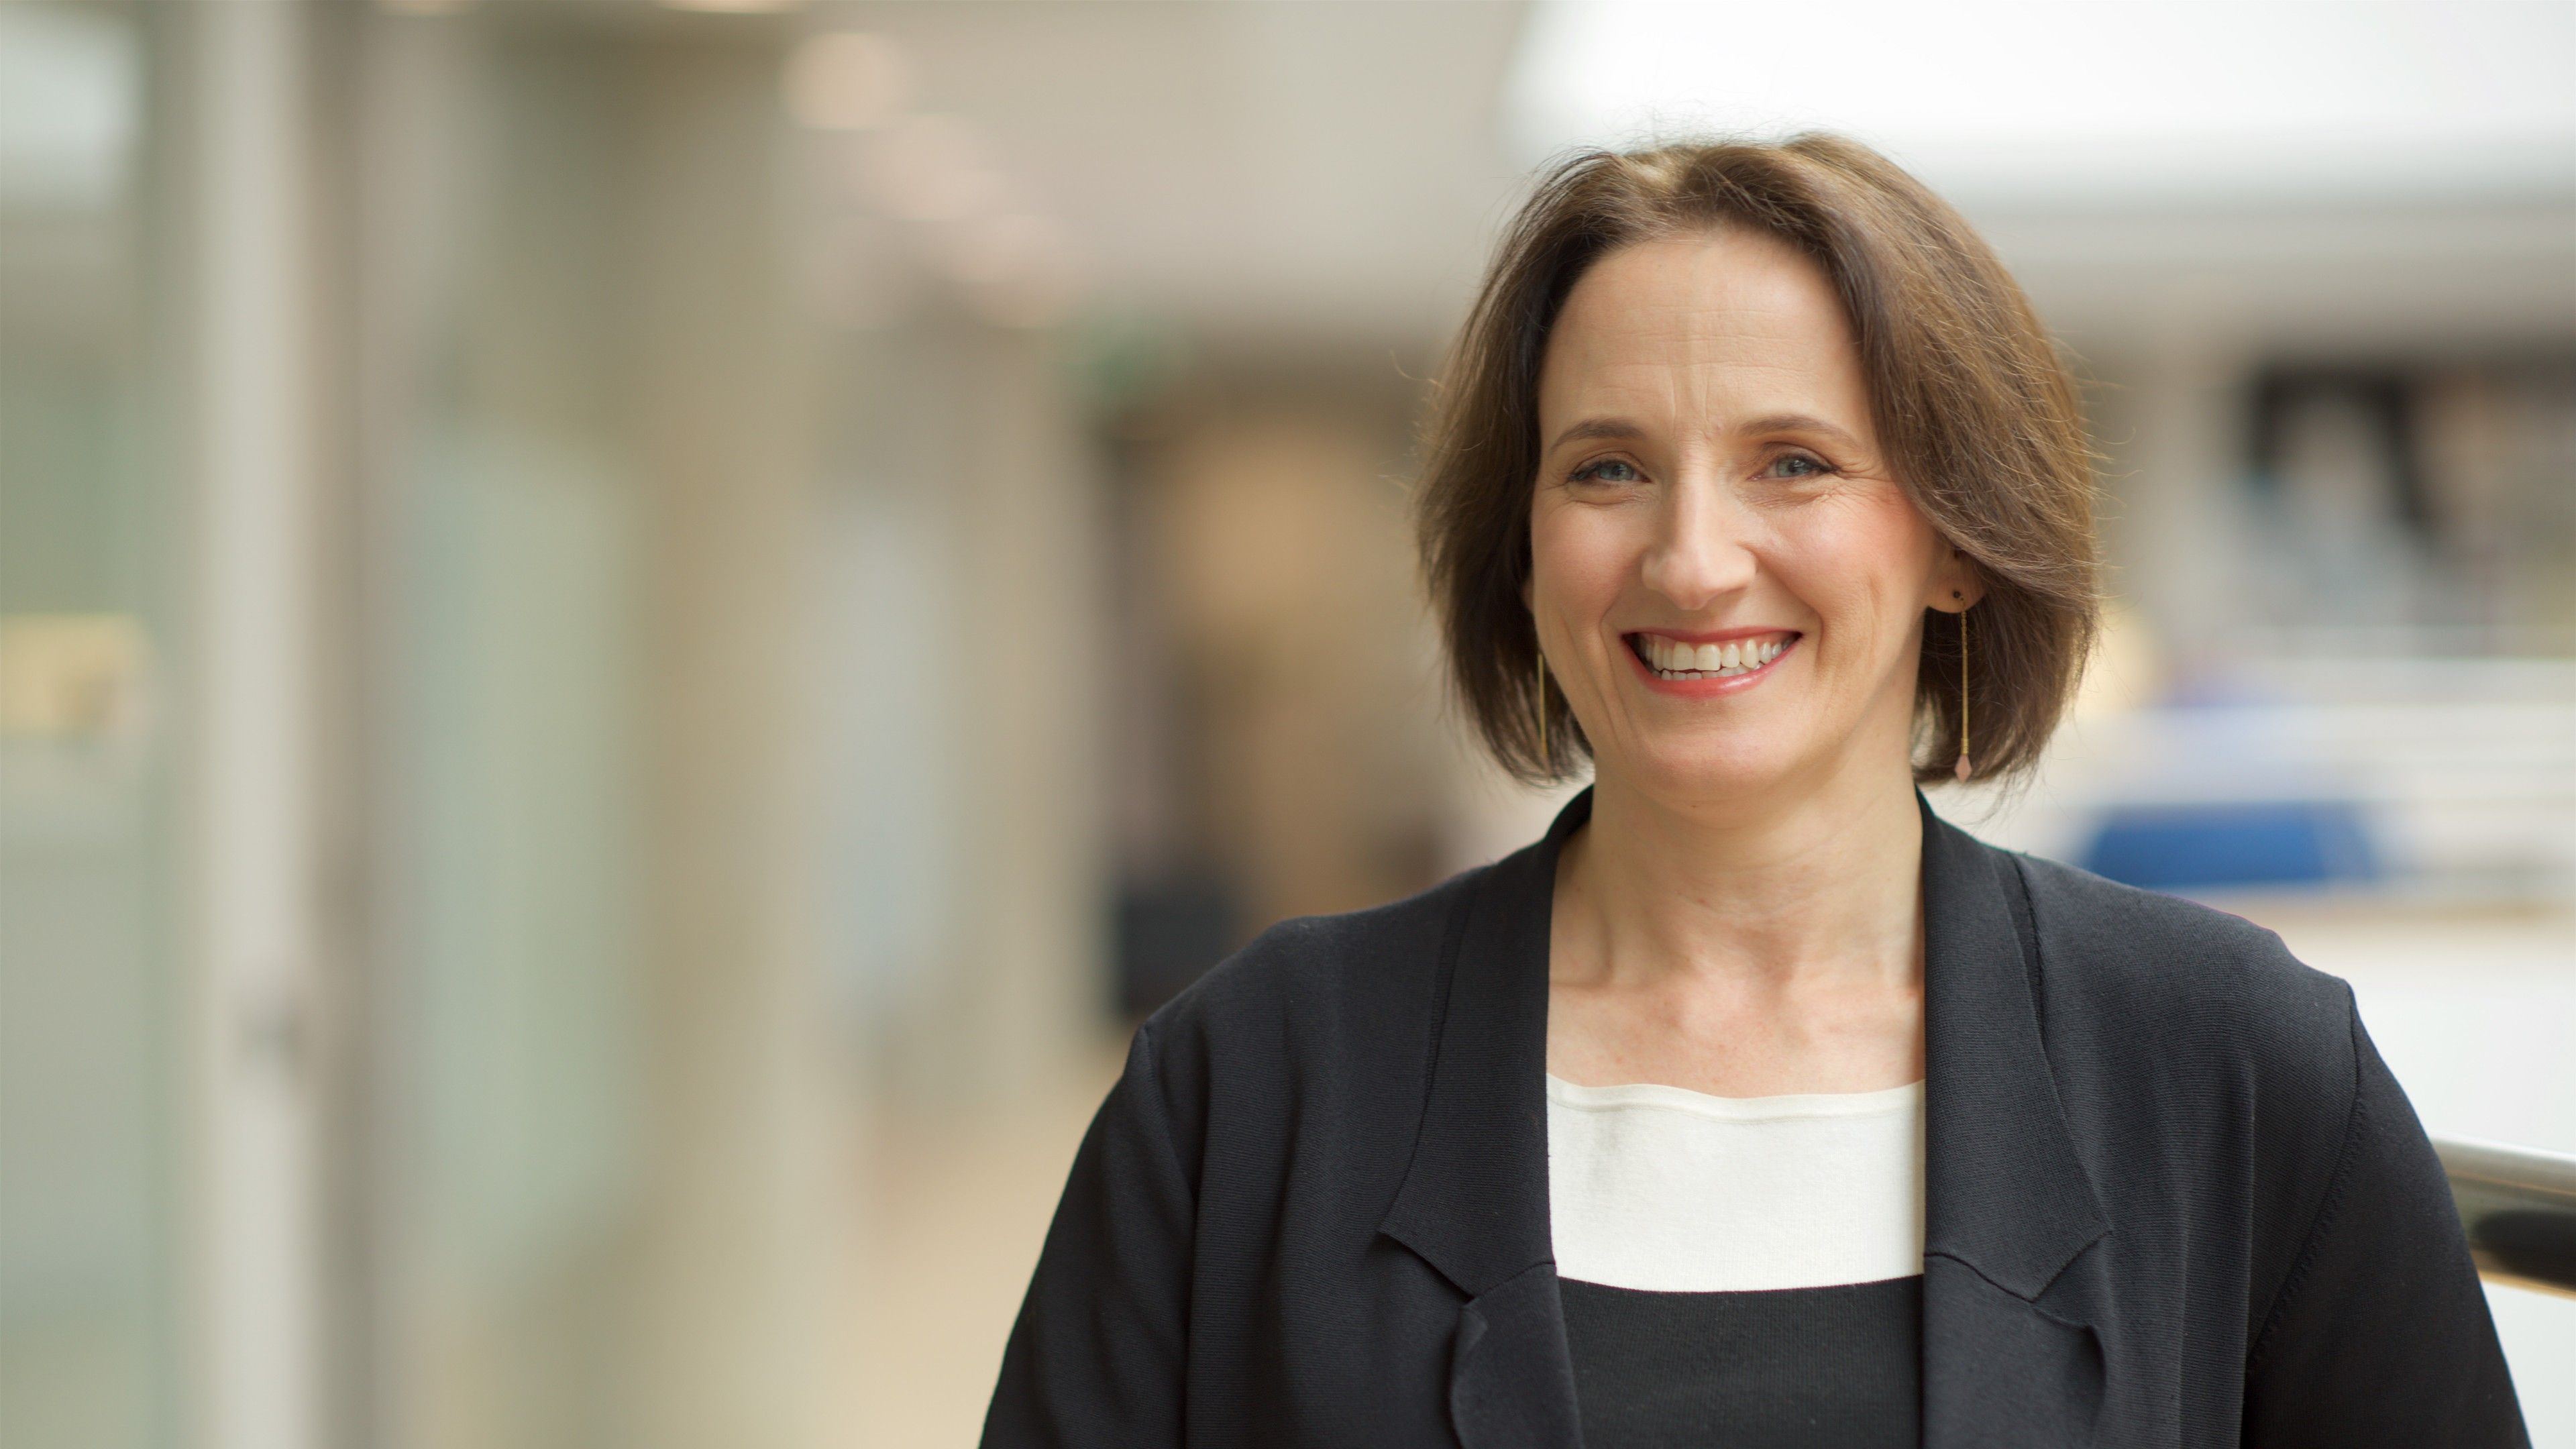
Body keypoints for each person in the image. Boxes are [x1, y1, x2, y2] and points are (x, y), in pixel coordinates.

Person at [981, 136, 2526, 1448]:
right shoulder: (1251, 1082)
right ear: (1522, 551)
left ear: (1956, 539)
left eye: (1793, 462)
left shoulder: (2235, 1066)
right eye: (1608, 468)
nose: (1694, 559)